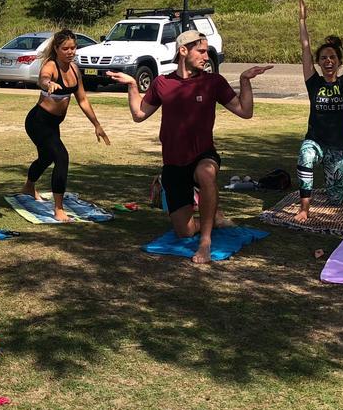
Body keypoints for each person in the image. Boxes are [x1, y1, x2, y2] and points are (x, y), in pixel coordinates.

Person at [107, 31, 272, 265]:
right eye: (201, 51)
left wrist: (244, 81)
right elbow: (139, 114)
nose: (206, 56)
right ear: (183, 51)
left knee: (206, 173)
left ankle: (205, 242)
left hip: (203, 154)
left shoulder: (213, 82)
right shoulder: (163, 83)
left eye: (206, 51)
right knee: (184, 232)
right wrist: (133, 85)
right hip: (173, 163)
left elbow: (245, 112)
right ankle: (213, 218)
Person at [21, 29, 110, 222]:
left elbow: (83, 100)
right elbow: (43, 78)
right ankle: (58, 209)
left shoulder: (74, 69)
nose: (70, 52)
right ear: (56, 48)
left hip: (53, 124)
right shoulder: (50, 65)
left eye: (73, 48)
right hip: (38, 121)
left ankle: (29, 186)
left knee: (46, 157)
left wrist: (97, 125)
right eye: (65, 48)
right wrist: (48, 84)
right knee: (62, 157)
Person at [294, 0, 343, 223]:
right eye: (323, 58)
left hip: (339, 146)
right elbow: (305, 48)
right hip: (316, 140)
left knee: (336, 198)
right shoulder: (314, 82)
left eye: (332, 57)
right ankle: (305, 207)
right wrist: (302, 21)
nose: (328, 61)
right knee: (305, 155)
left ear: (339, 61)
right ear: (319, 62)